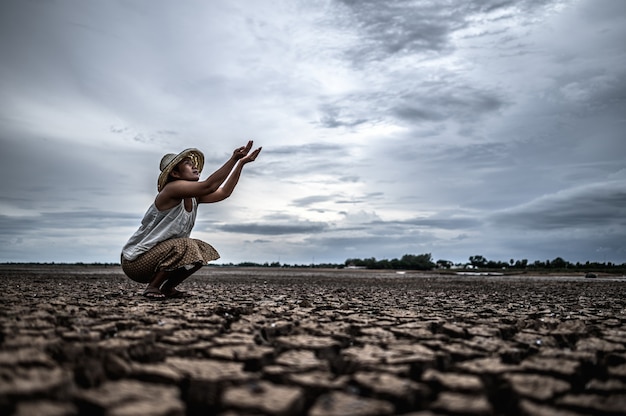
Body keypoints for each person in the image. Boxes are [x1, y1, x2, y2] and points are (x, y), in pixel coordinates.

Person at [121, 140, 262, 299]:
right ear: (175, 174)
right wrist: (233, 159)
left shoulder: (194, 197)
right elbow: (209, 186)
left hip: (159, 259)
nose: (195, 166)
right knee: (185, 244)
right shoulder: (172, 190)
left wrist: (241, 164)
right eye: (188, 164)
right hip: (136, 262)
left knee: (200, 249)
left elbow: (223, 193)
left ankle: (168, 288)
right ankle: (152, 287)